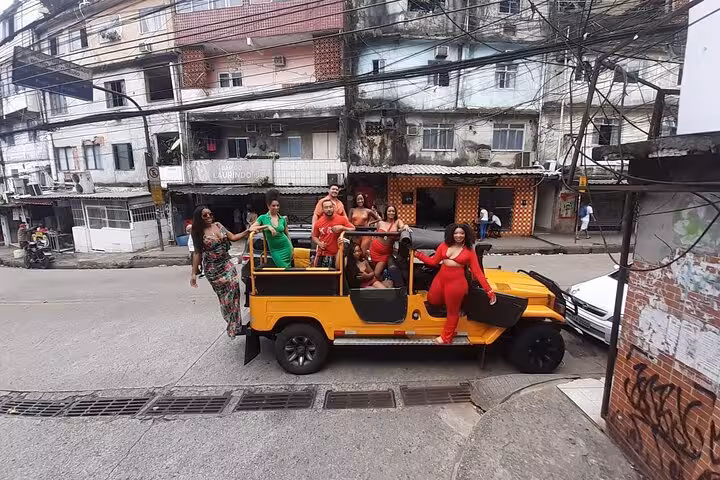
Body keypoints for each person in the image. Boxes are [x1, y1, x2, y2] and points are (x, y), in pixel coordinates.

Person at [415, 224, 497, 344]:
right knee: (432, 299)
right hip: (440, 279)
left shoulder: (469, 251)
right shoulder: (443, 245)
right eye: (456, 233)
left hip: (456, 284)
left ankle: (446, 338)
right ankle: (457, 305)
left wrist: (489, 291)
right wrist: (418, 254)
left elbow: (477, 272)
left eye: (462, 233)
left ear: (466, 235)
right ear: (451, 234)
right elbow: (433, 262)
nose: (459, 235)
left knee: (452, 312)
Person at [190, 206, 258, 338]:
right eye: (205, 215)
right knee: (225, 299)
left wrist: (248, 231)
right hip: (213, 269)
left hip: (226, 263)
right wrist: (193, 273)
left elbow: (233, 237)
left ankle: (235, 325)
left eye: (210, 214)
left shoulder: (218, 225)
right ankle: (233, 325)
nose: (209, 217)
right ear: (199, 217)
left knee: (234, 290)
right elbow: (197, 253)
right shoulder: (197, 232)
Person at [252, 189, 294, 268]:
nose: (276, 207)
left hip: (286, 247)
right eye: (273, 205)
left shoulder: (282, 219)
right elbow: (251, 228)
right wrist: (267, 226)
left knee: (288, 270)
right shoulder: (263, 218)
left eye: (278, 205)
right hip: (275, 251)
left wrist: (291, 248)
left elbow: (287, 234)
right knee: (282, 268)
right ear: (268, 206)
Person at [312, 198, 355, 268]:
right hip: (323, 254)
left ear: (333, 208)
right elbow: (314, 236)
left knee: (338, 276)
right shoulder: (318, 222)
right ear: (322, 209)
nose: (329, 209)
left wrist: (342, 227)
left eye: (330, 207)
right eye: (326, 207)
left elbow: (353, 229)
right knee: (321, 277)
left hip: (338, 254)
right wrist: (319, 243)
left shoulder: (342, 219)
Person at [368, 205, 407, 280]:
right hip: (374, 249)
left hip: (385, 253)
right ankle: (380, 284)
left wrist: (405, 226)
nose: (391, 213)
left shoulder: (397, 222)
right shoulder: (380, 222)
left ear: (395, 213)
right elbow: (376, 235)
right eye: (389, 211)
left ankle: (384, 284)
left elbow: (402, 226)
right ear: (386, 212)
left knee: (377, 273)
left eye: (393, 211)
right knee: (374, 270)